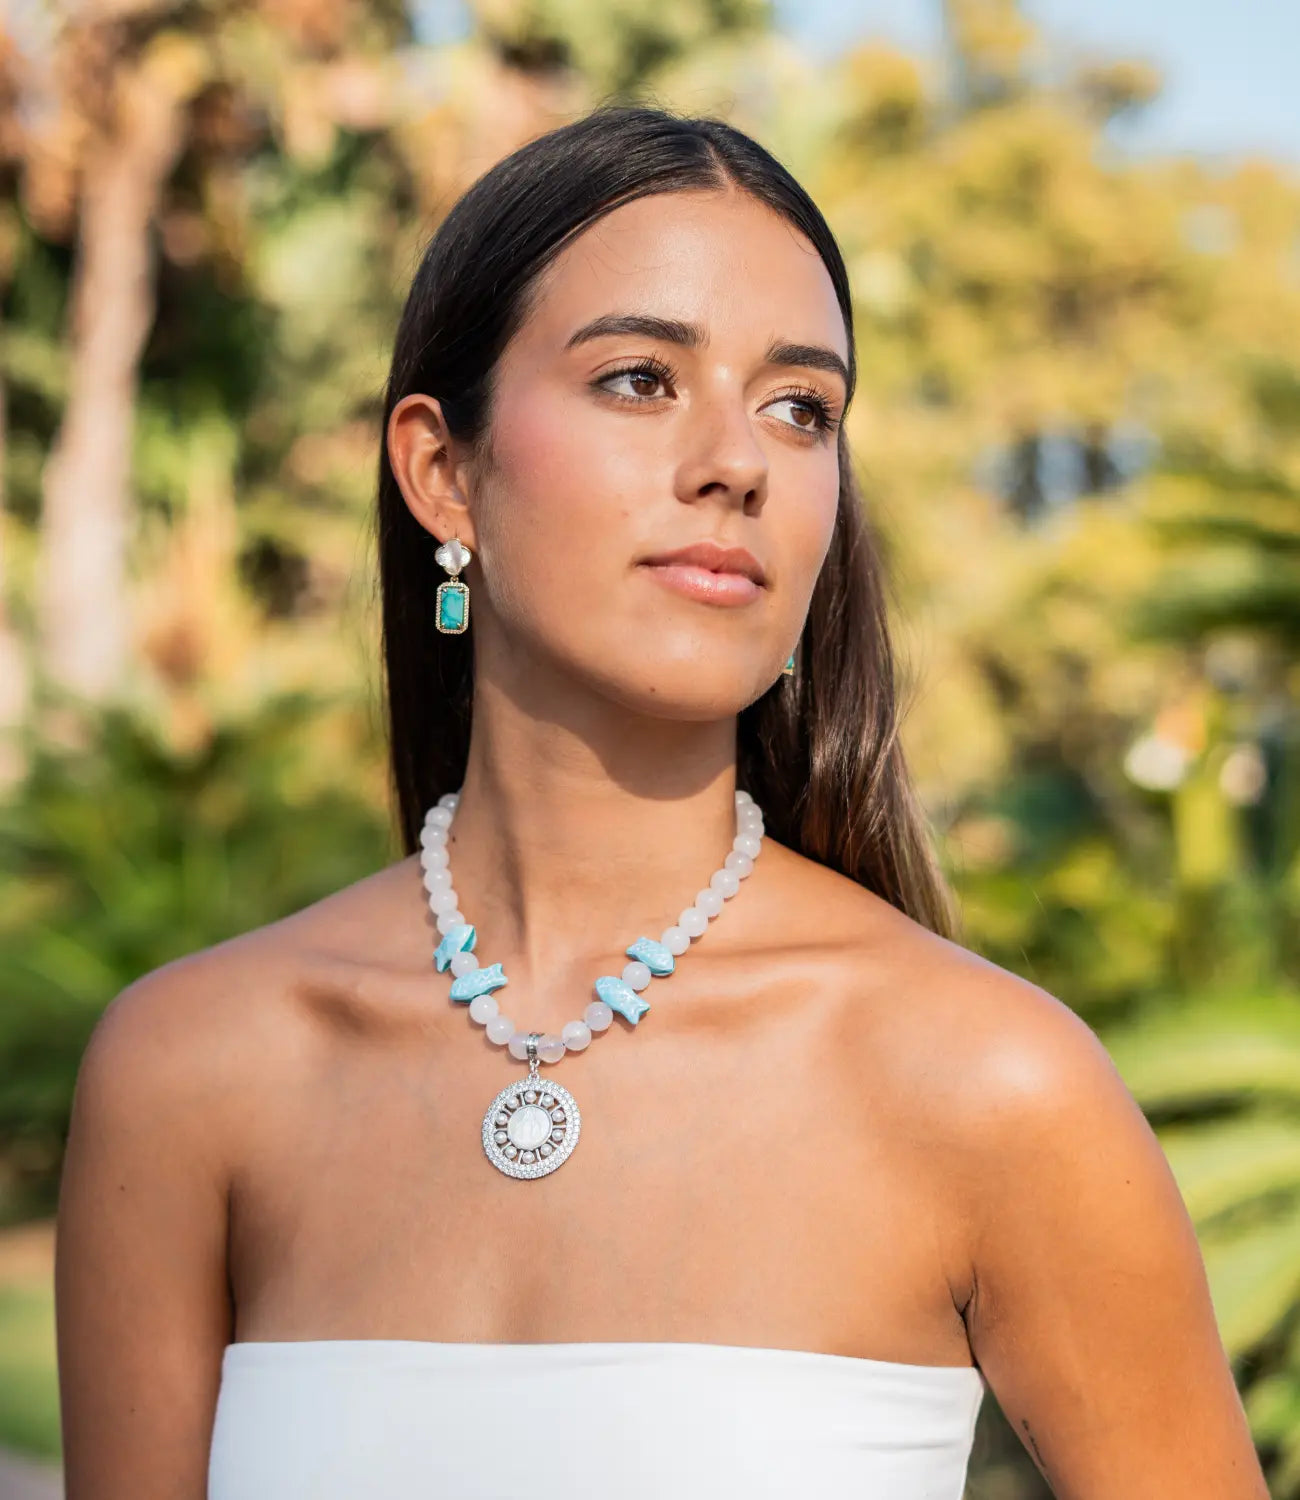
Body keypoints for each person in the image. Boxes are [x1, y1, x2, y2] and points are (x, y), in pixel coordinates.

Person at [53, 103, 1267, 1499]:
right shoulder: (192, 1073)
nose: (738, 462)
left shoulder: (991, 1087)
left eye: (801, 408)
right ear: (443, 471)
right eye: (639, 378)